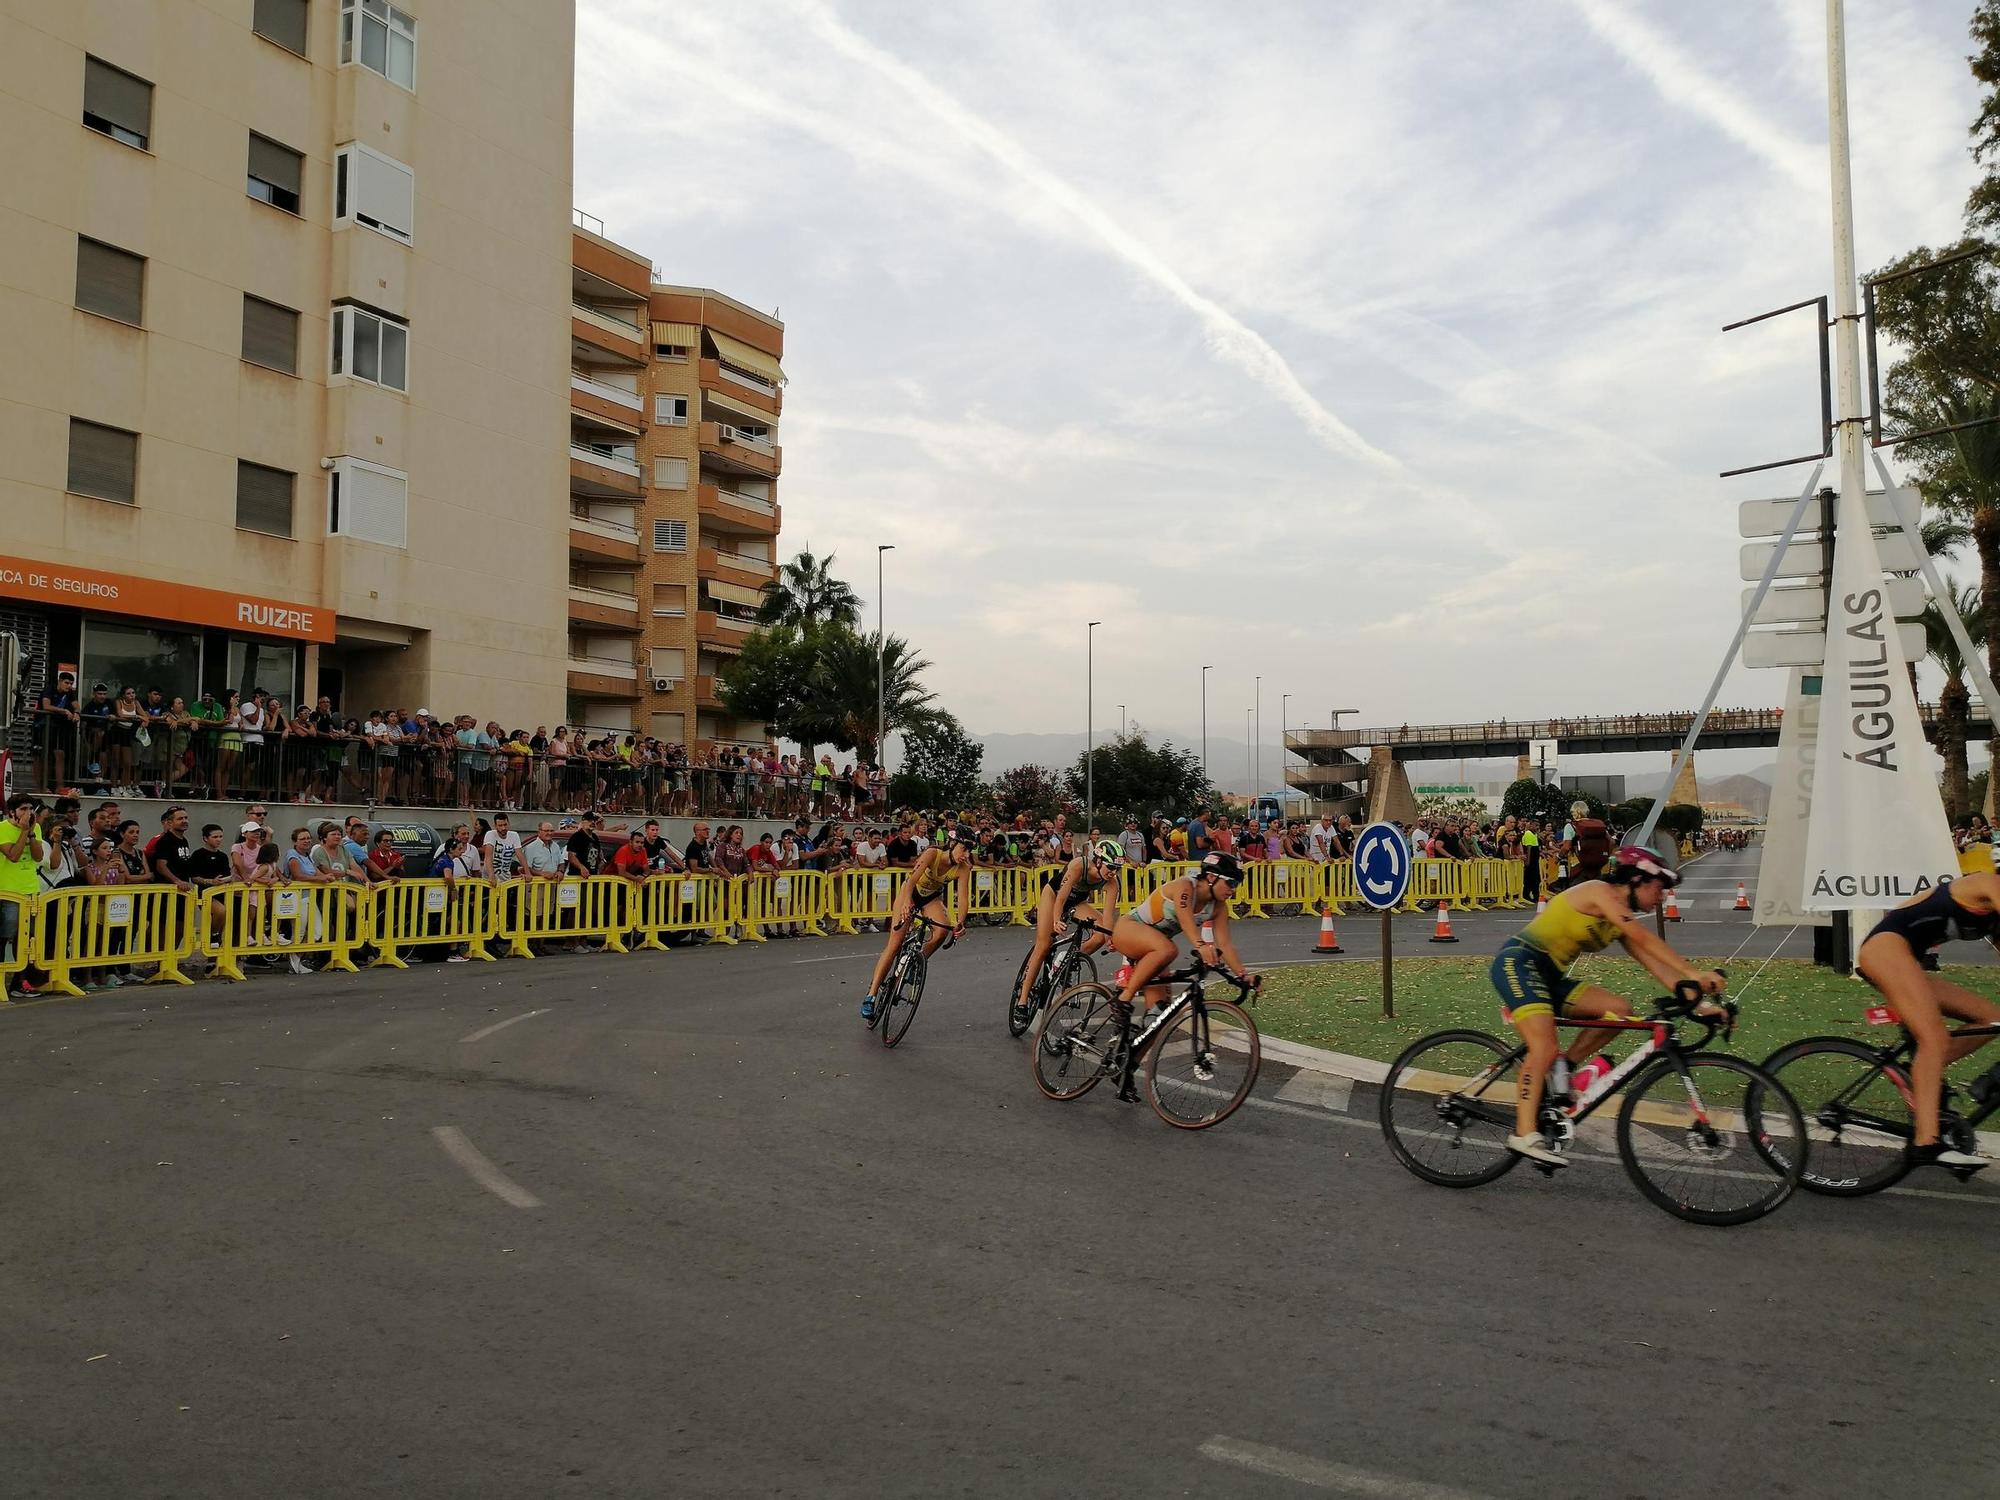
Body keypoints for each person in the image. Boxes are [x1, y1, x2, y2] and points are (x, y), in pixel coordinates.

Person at [1490, 844, 1722, 1168]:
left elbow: (1659, 969)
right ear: (1637, 879)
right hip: (1519, 963)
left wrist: (1699, 1005)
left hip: (1549, 977)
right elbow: (1644, 938)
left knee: (1620, 1010)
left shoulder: (1618, 920)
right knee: (1542, 1047)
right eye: (1660, 888)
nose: (1663, 897)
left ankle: (1564, 1068)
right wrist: (1696, 973)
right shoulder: (1599, 892)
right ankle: (1524, 1133)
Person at [1854, 872, 2000, 1170]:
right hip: (1885, 951)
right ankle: (1925, 1143)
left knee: (1993, 1018)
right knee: (1933, 1038)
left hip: (1905, 958)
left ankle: (1921, 1076)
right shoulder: (1989, 884)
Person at [860, 829, 974, 1021]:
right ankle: (870, 996)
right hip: (910, 893)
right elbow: (912, 880)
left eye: (970, 851)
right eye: (964, 849)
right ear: (952, 844)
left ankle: (916, 963)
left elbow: (963, 899)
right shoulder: (932, 853)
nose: (966, 855)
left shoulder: (963, 868)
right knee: (895, 944)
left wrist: (961, 922)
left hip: (930, 898)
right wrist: (905, 903)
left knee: (942, 931)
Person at [1011, 837, 1122, 1026]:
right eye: (1110, 867)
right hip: (1053, 896)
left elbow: (1108, 916)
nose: (1113, 872)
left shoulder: (1112, 882)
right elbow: (1061, 898)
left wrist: (1110, 937)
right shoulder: (1079, 865)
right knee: (1044, 944)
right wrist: (1056, 921)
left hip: (1077, 902)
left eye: (1117, 869)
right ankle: (1022, 1002)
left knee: (1101, 933)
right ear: (1098, 861)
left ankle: (1067, 960)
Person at [0, 795, 44, 995]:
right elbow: (14, 856)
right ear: (12, 812)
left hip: (30, 889)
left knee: (26, 939)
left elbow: (38, 856)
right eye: (23, 809)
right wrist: (24, 831)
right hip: (8, 891)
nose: (28, 813)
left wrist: (32, 833)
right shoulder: (2, 829)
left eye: (30, 809)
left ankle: (19, 982)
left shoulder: (35, 828)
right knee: (4, 935)